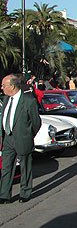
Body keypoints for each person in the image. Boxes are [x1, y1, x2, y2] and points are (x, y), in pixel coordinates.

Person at [0, 74, 42, 204]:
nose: (2, 88)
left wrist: (28, 136)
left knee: (25, 167)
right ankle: (4, 194)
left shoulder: (28, 101)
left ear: (12, 86)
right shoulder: (6, 99)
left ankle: (25, 193)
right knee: (6, 167)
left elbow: (36, 122)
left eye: (3, 85)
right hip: (8, 138)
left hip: (23, 139)